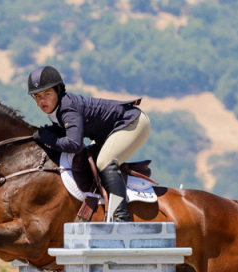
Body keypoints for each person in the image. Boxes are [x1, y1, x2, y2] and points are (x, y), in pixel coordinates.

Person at [27, 66, 150, 222]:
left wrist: (47, 138)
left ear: (58, 91)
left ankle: (122, 218)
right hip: (109, 132)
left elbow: (74, 144)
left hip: (132, 123)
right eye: (37, 96)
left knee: (105, 162)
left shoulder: (67, 108)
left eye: (47, 94)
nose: (42, 100)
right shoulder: (57, 109)